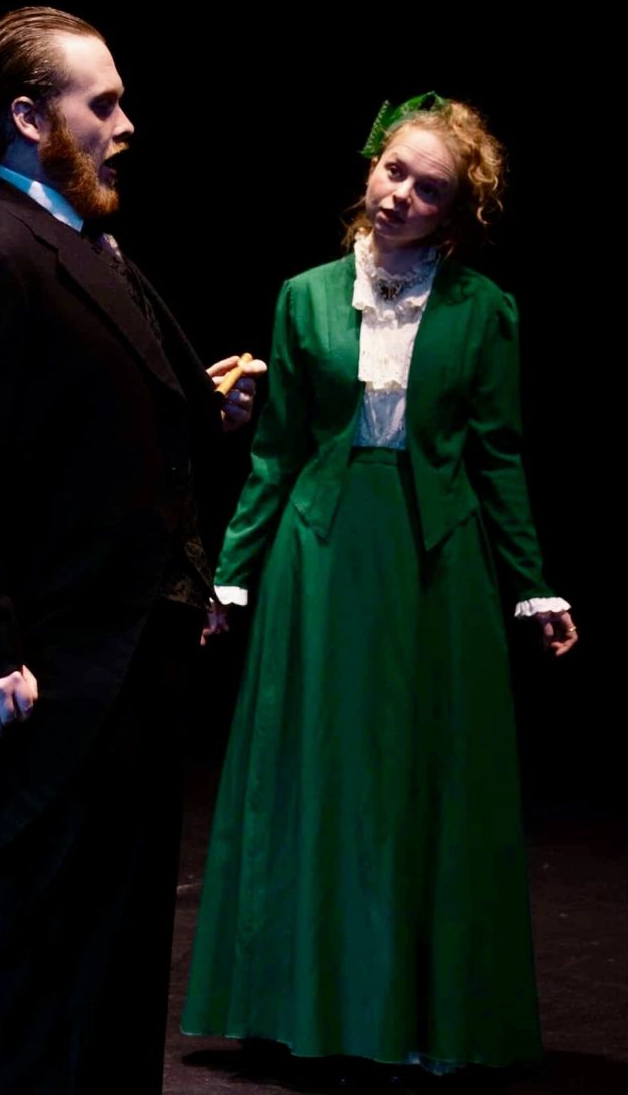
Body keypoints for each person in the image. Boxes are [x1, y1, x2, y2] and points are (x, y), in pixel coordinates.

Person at [0, 5, 265, 1095]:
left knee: (110, 958)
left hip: (125, 668)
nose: (125, 124)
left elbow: (89, 426)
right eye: (103, 103)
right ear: (26, 116)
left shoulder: (74, 235)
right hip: (57, 679)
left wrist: (208, 414)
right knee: (36, 964)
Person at [181, 93, 578, 1091]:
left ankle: (415, 1012)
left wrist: (534, 587)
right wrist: (231, 573)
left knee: (421, 780)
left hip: (435, 558)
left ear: (457, 213)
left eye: (428, 188)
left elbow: (498, 456)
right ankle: (298, 1010)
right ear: (370, 164)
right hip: (320, 556)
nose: (400, 194)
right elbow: (276, 451)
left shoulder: (486, 312)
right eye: (393, 170)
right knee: (320, 775)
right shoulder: (305, 295)